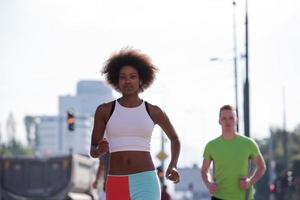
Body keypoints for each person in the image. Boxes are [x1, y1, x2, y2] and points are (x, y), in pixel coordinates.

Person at [90, 48, 181, 200]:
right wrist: (99, 150)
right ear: (117, 81)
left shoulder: (154, 111)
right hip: (116, 181)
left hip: (145, 181)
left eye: (133, 77)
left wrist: (173, 164)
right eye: (123, 77)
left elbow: (174, 138)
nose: (128, 81)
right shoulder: (104, 110)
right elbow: (93, 151)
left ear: (141, 80)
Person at [201, 105, 266, 200]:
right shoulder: (211, 146)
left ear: (236, 120)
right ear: (219, 121)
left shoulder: (248, 143)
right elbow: (204, 171)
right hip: (219, 197)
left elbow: (262, 167)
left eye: (231, 118)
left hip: (244, 197)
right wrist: (209, 184)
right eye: (224, 118)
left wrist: (250, 182)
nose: (228, 121)